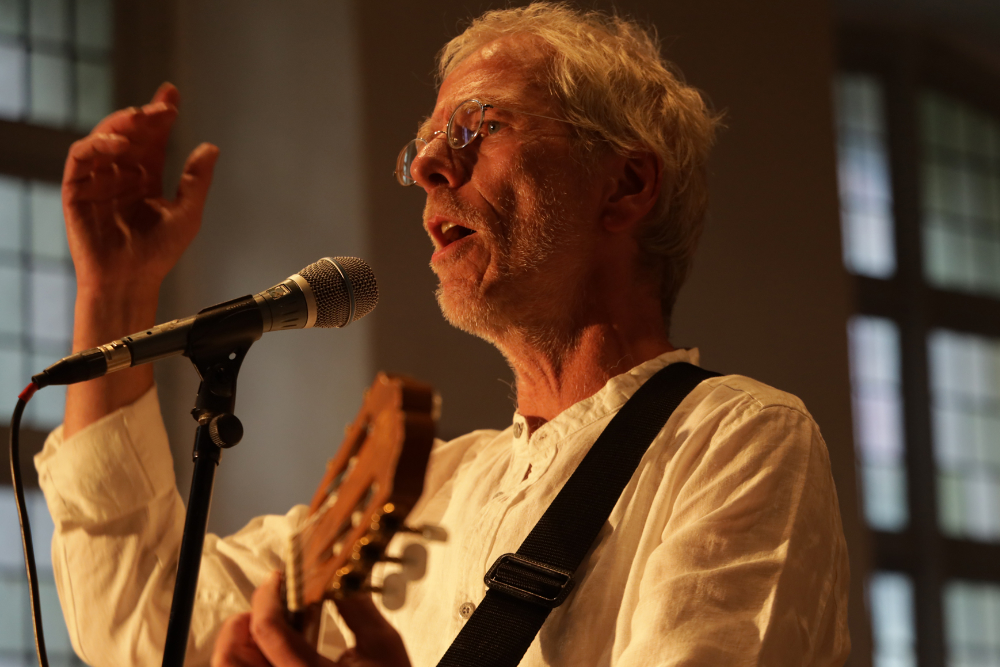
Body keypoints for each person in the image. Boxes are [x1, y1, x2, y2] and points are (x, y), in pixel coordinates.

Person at [35, 3, 851, 666]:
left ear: (626, 185)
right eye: (422, 147)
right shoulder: (424, 486)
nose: (429, 169)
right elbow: (141, 614)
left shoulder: (733, 439)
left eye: (478, 128)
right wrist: (116, 290)